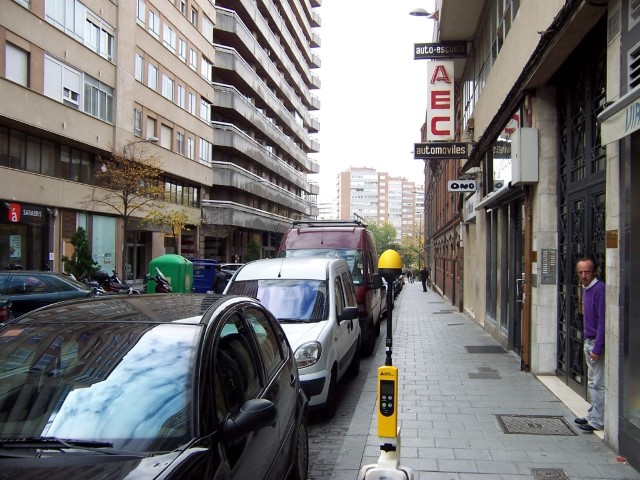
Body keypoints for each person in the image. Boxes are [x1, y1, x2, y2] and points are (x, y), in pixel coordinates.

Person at [574, 257, 605, 433]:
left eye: (587, 272)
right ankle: (593, 414)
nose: (584, 275)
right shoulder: (586, 289)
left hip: (595, 343)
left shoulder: (599, 289)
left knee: (598, 383)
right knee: (592, 381)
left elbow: (602, 321)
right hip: (589, 341)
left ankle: (597, 420)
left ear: (594, 272)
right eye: (581, 272)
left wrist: (597, 347)